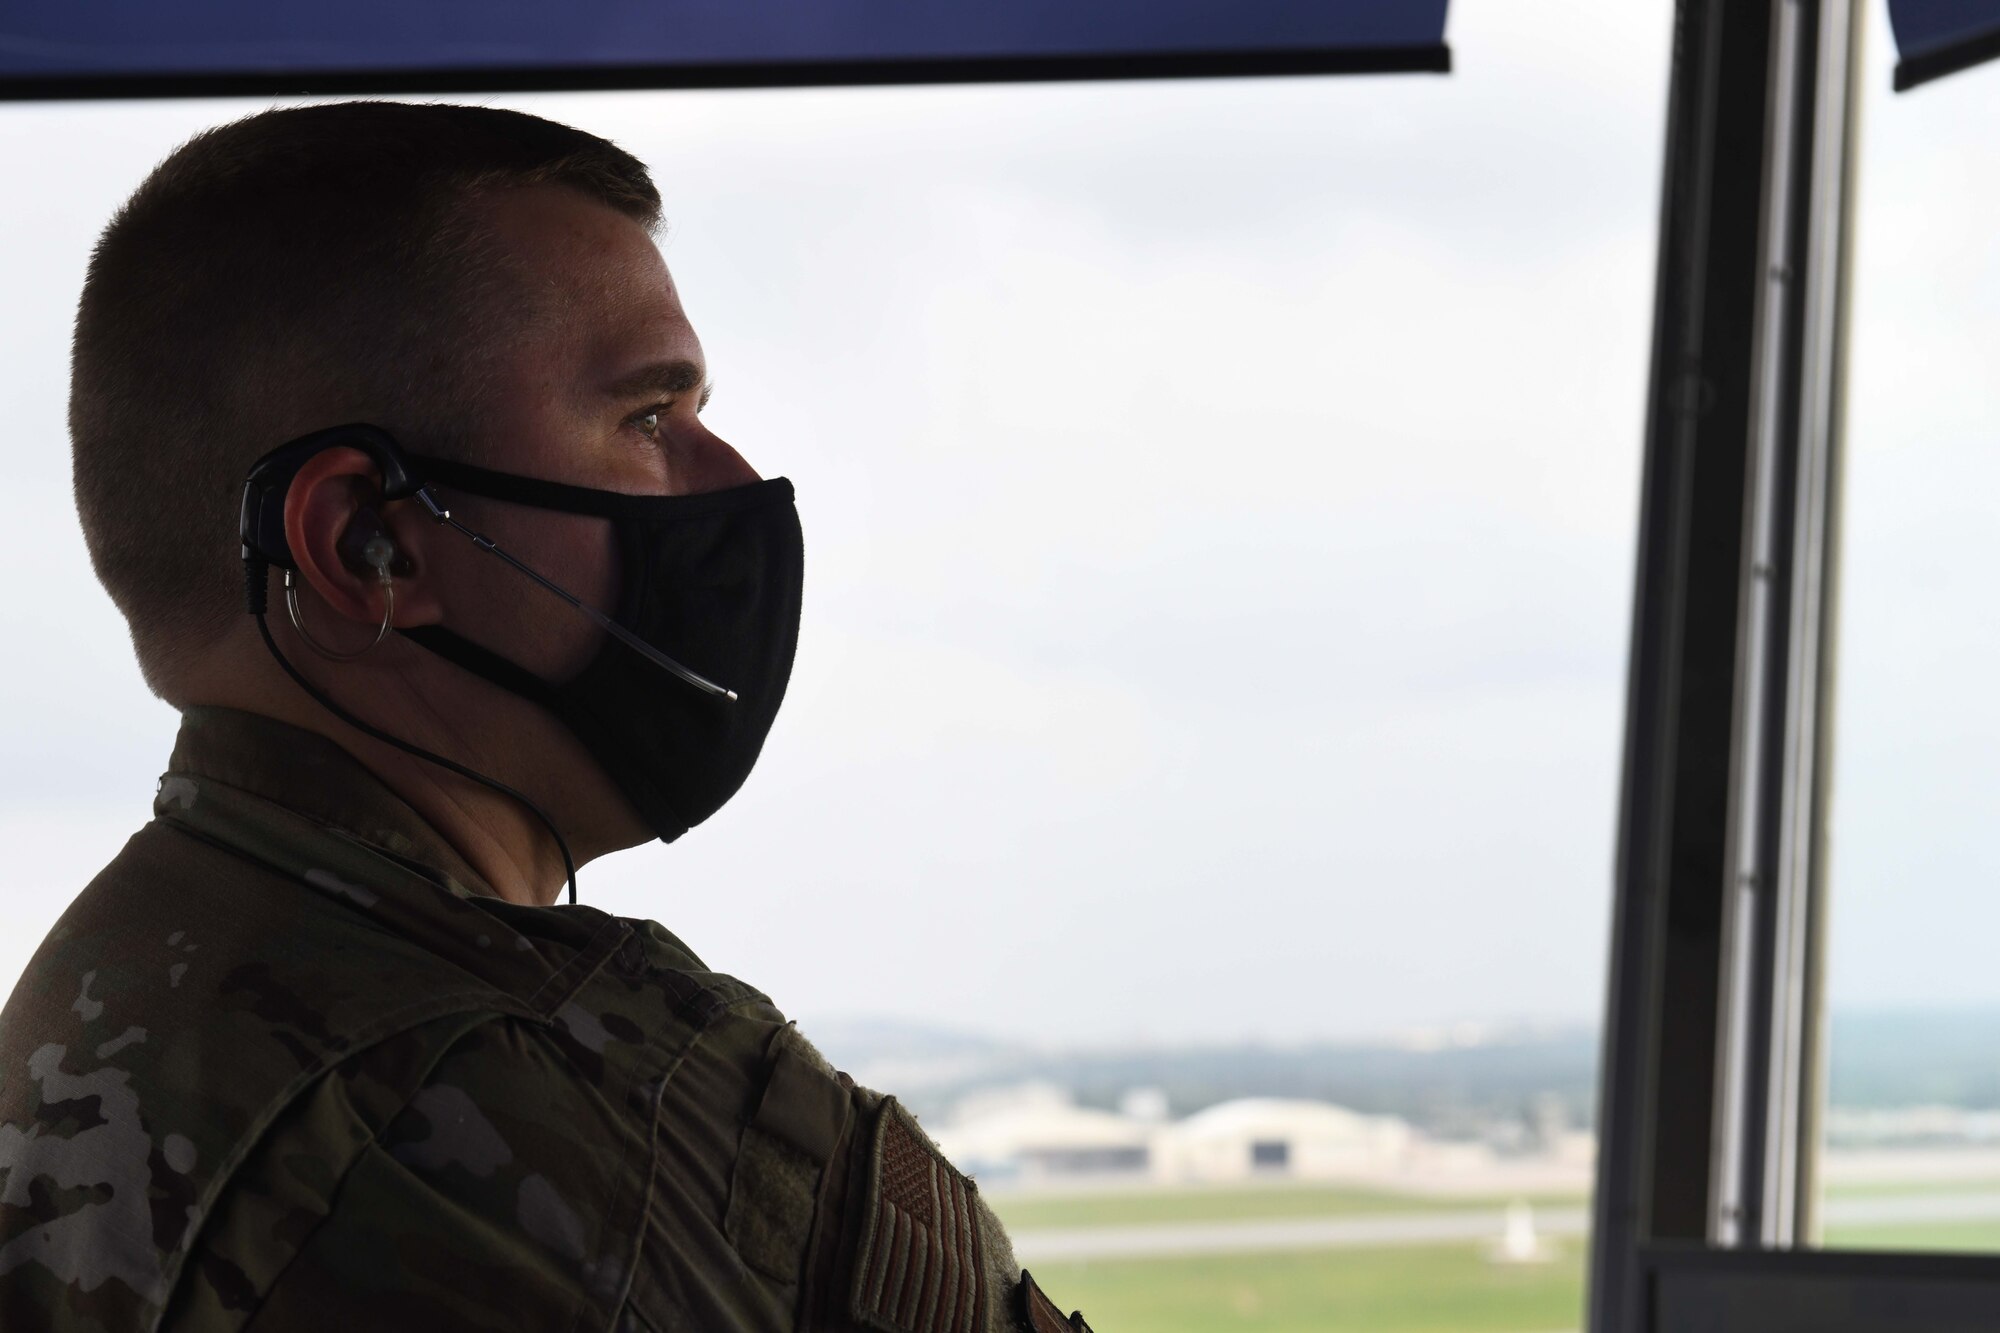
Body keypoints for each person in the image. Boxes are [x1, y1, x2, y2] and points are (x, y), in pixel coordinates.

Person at [0, 101, 1091, 1333]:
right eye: (647, 417)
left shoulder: (126, 990)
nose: (735, 483)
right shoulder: (446, 1125)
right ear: (371, 544)